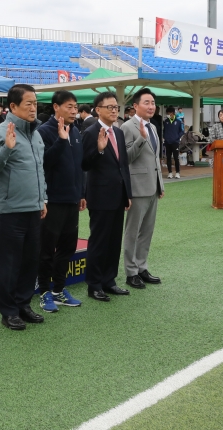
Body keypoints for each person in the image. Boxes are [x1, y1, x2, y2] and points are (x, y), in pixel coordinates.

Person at [0, 84, 47, 330]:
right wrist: (6, 150)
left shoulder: (35, 133)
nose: (34, 108)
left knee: (30, 261)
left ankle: (23, 304)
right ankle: (8, 311)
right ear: (13, 106)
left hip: (33, 208)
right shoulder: (0, 132)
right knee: (9, 264)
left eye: (35, 103)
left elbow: (39, 170)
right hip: (9, 210)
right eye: (28, 104)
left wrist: (43, 199)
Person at [35, 90, 85, 312]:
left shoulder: (75, 131)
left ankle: (59, 289)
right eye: (69, 106)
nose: (74, 111)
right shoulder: (44, 132)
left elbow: (78, 167)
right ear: (56, 107)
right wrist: (61, 142)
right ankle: (44, 291)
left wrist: (81, 193)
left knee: (67, 247)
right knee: (47, 249)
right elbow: (44, 163)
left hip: (72, 199)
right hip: (52, 200)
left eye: (76, 107)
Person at [82, 91, 132, 302]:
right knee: (99, 241)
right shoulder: (90, 132)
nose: (114, 111)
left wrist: (127, 193)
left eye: (116, 107)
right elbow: (84, 164)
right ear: (98, 110)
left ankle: (109, 280)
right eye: (109, 107)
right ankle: (94, 284)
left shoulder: (118, 133)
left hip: (118, 195)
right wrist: (99, 150)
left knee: (114, 241)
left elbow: (123, 166)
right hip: (100, 196)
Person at [121, 88, 164, 290]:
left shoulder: (153, 127)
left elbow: (155, 159)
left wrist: (160, 184)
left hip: (152, 187)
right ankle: (131, 271)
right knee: (133, 231)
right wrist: (140, 138)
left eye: (153, 102)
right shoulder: (127, 127)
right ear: (135, 106)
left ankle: (142, 266)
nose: (151, 106)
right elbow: (126, 158)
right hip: (137, 188)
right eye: (147, 102)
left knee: (147, 231)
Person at [162, 106, 183, 179]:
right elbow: (164, 131)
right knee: (168, 158)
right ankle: (170, 172)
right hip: (167, 142)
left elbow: (182, 131)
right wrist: (165, 137)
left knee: (176, 158)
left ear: (173, 113)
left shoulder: (178, 121)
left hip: (175, 142)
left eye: (169, 113)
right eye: (167, 113)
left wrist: (177, 137)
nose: (168, 114)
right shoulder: (166, 121)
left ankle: (177, 172)